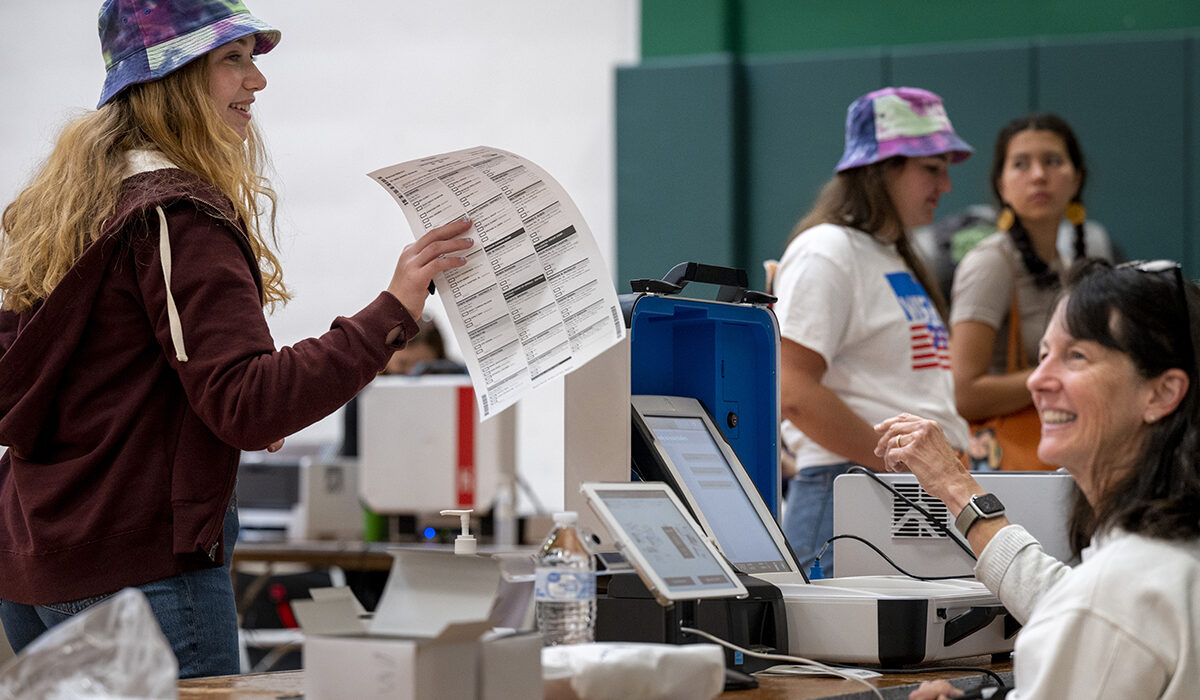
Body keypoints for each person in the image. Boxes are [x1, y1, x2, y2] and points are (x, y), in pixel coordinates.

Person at [0, 0, 472, 679]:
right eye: (233, 60)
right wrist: (391, 313)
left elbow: (92, 385)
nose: (257, 82)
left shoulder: (71, 209)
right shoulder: (178, 215)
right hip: (142, 578)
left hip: (34, 575)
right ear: (175, 79)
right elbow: (248, 404)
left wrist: (206, 416)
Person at [876, 259, 1200, 699]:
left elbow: (1094, 614)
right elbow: (1073, 610)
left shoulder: (1119, 592)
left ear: (1162, 393)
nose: (1038, 381)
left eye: (1077, 356)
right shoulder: (1163, 562)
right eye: (1044, 354)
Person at [773, 87, 973, 574]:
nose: (946, 185)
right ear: (881, 169)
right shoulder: (828, 250)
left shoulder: (887, 254)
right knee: (837, 652)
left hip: (897, 492)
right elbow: (791, 387)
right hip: (852, 495)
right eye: (932, 167)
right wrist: (898, 464)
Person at [948, 114, 1090, 470]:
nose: (1039, 175)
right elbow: (964, 394)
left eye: (1053, 161)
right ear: (1002, 185)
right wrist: (1058, 376)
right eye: (1021, 164)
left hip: (1057, 454)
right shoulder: (991, 263)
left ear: (1076, 178)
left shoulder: (1069, 265)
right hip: (1006, 462)